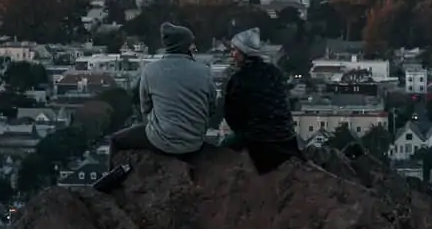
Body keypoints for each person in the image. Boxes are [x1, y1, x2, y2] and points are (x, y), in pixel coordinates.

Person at [109, 22, 217, 166]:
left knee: (116, 140)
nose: (194, 47)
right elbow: (212, 108)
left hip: (161, 142)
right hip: (195, 142)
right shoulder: (205, 71)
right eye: (191, 43)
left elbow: (145, 109)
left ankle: (111, 183)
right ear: (185, 45)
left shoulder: (150, 70)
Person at [222, 27, 304, 174]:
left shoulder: (239, 79)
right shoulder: (275, 72)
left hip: (257, 139)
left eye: (235, 50)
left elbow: (231, 115)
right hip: (287, 138)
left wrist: (244, 132)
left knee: (223, 149)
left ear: (244, 53)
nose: (232, 54)